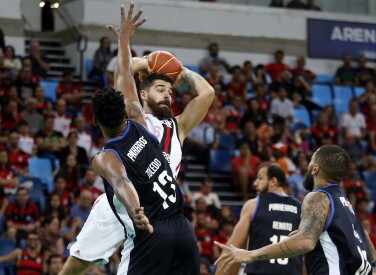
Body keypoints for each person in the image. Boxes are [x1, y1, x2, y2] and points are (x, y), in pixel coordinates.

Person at [60, 3, 206, 274]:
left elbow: (121, 180)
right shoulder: (141, 123)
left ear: (95, 121)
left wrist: (135, 209)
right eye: (160, 88)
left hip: (148, 221)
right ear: (133, 104)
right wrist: (125, 39)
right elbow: (126, 75)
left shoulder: (107, 156)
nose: (167, 93)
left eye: (168, 89)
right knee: (77, 263)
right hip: (175, 221)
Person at [215, 145, 376, 274]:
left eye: (311, 160)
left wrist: (250, 254)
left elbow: (305, 243)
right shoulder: (346, 206)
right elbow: (372, 254)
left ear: (315, 169)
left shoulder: (318, 197)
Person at [216, 162, 302, 275]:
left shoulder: (254, 204)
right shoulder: (301, 207)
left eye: (260, 178)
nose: (255, 183)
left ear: (273, 181)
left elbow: (232, 248)